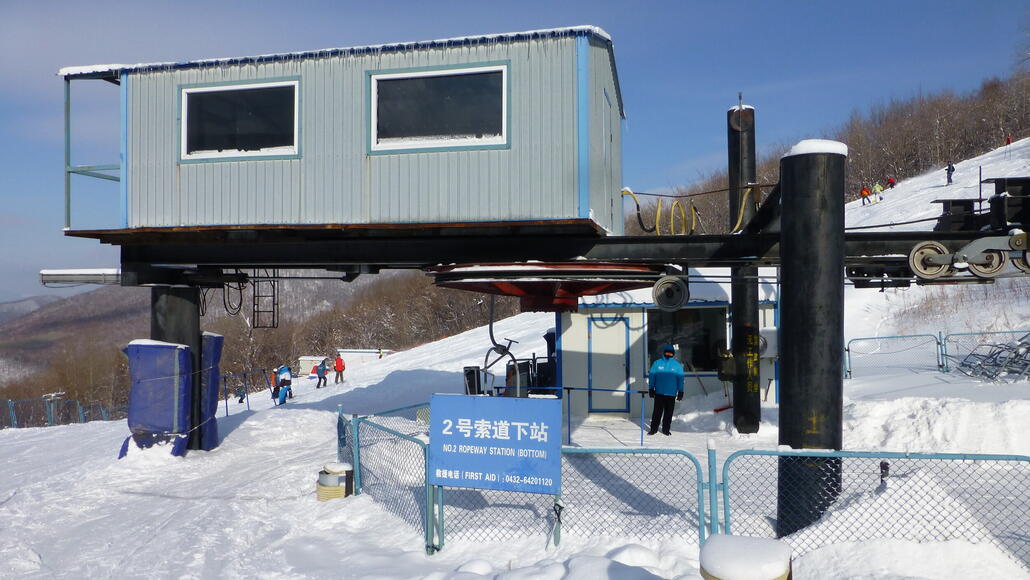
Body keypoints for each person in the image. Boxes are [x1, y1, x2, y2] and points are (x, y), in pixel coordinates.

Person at [647, 344, 685, 436]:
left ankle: (666, 429)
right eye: (667, 353)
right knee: (657, 413)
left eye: (670, 353)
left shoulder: (677, 365)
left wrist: (681, 391)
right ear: (664, 353)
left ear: (673, 354)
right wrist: (651, 388)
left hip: (671, 394)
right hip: (659, 393)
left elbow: (680, 379)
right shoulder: (657, 363)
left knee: (668, 413)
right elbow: (652, 376)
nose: (668, 354)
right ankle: (653, 429)